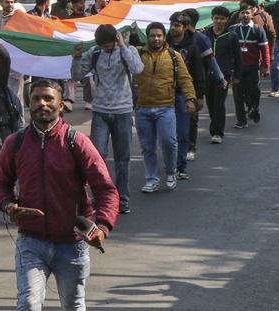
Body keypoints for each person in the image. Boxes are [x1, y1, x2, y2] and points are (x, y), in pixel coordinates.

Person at [0, 79, 119, 311]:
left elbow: (106, 189)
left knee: (73, 308)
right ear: (28, 103)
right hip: (31, 242)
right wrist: (9, 206)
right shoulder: (16, 143)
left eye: (49, 99)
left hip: (71, 244)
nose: (42, 104)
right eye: (36, 99)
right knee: (28, 306)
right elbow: (1, 183)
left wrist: (101, 226)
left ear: (61, 104)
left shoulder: (77, 142)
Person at [78, 24, 142, 214]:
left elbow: (137, 69)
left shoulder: (127, 50)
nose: (106, 49)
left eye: (109, 45)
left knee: (123, 158)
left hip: (122, 111)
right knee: (97, 158)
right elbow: (76, 75)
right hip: (100, 111)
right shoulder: (94, 53)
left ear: (116, 40)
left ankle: (123, 199)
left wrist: (122, 46)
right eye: (103, 46)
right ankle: (102, 198)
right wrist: (76, 57)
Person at [134, 22, 196, 193]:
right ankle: (152, 179)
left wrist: (190, 98)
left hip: (166, 107)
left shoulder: (174, 55)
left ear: (164, 36)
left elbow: (185, 78)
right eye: (153, 35)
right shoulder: (138, 54)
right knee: (147, 147)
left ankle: (171, 172)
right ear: (148, 36)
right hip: (142, 108)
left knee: (169, 142)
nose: (156, 39)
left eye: (159, 35)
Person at [167, 13, 213, 180]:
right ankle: (171, 162)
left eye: (177, 25)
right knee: (167, 133)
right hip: (165, 95)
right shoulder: (164, 44)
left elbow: (199, 72)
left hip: (184, 94)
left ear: (184, 27)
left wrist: (199, 96)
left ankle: (182, 163)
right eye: (171, 24)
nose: (173, 28)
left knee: (184, 130)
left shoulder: (193, 46)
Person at [203, 6, 241, 143]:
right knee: (211, 103)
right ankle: (215, 124)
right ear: (212, 18)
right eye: (216, 18)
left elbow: (238, 57)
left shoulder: (231, 36)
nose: (218, 21)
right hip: (207, 75)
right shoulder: (205, 35)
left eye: (222, 18)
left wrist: (237, 75)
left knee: (219, 103)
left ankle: (217, 133)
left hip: (224, 76)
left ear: (227, 20)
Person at [232, 4, 271, 128]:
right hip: (237, 68)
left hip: (253, 67)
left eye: (247, 13)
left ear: (252, 14)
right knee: (238, 95)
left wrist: (266, 66)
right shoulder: (233, 30)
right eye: (242, 13)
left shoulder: (258, 29)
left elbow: (265, 49)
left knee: (254, 91)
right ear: (239, 14)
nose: (245, 15)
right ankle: (241, 121)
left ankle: (254, 108)